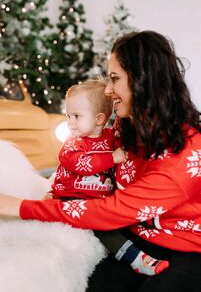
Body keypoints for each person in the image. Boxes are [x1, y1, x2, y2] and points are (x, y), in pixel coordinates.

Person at [0, 30, 201, 292]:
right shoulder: (126, 125)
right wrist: (60, 186)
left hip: (194, 253)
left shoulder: (190, 155)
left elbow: (112, 210)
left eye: (115, 79)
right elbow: (88, 156)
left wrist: (23, 207)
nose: (108, 90)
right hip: (134, 241)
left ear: (144, 81)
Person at [45, 78, 169, 276]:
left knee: (117, 220)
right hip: (74, 197)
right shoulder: (74, 143)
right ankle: (136, 259)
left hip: (100, 200)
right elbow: (79, 163)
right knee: (103, 227)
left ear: (100, 119)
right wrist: (111, 158)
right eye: (69, 115)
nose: (70, 122)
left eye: (77, 116)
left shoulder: (111, 137)